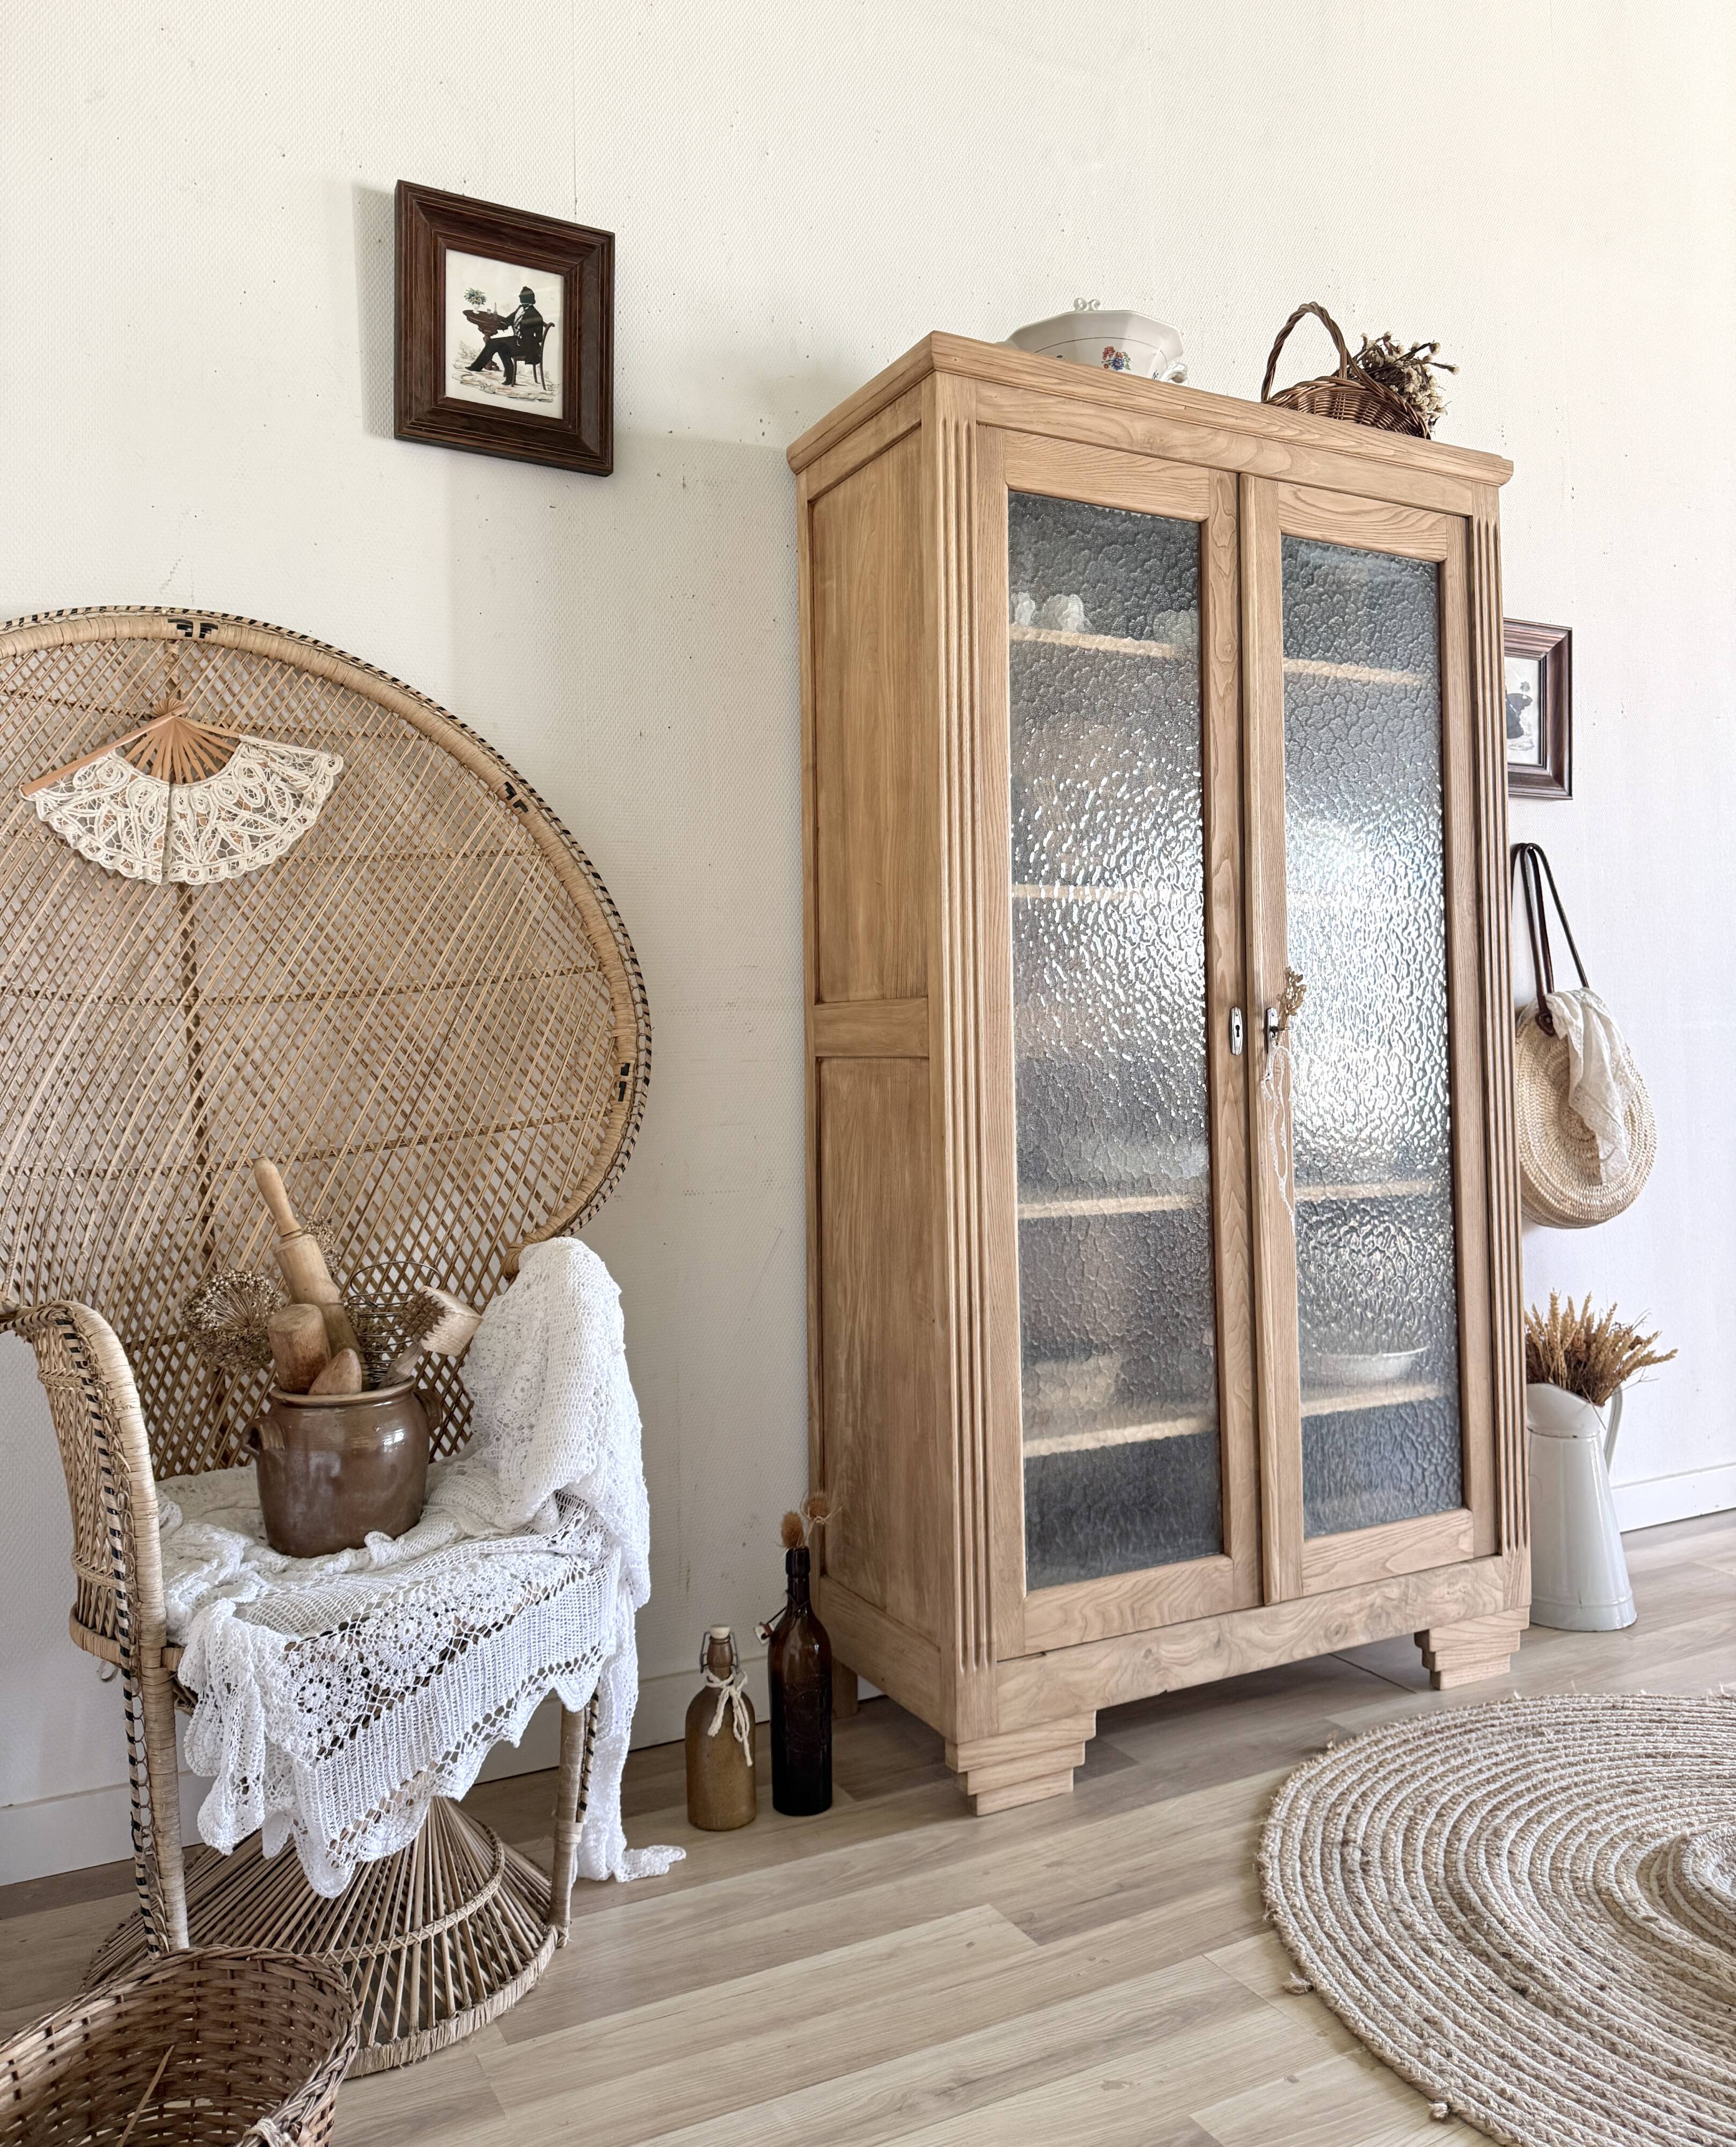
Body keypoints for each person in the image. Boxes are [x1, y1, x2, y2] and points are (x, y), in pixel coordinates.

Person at [467, 287, 545, 389]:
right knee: (495, 344)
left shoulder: (536, 315)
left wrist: (525, 341)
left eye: (522, 297)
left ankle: (507, 377)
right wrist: (504, 323)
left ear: (528, 299)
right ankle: (505, 376)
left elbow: (539, 338)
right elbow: (511, 318)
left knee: (500, 347)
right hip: (517, 341)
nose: (520, 298)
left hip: (528, 347)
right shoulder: (520, 309)